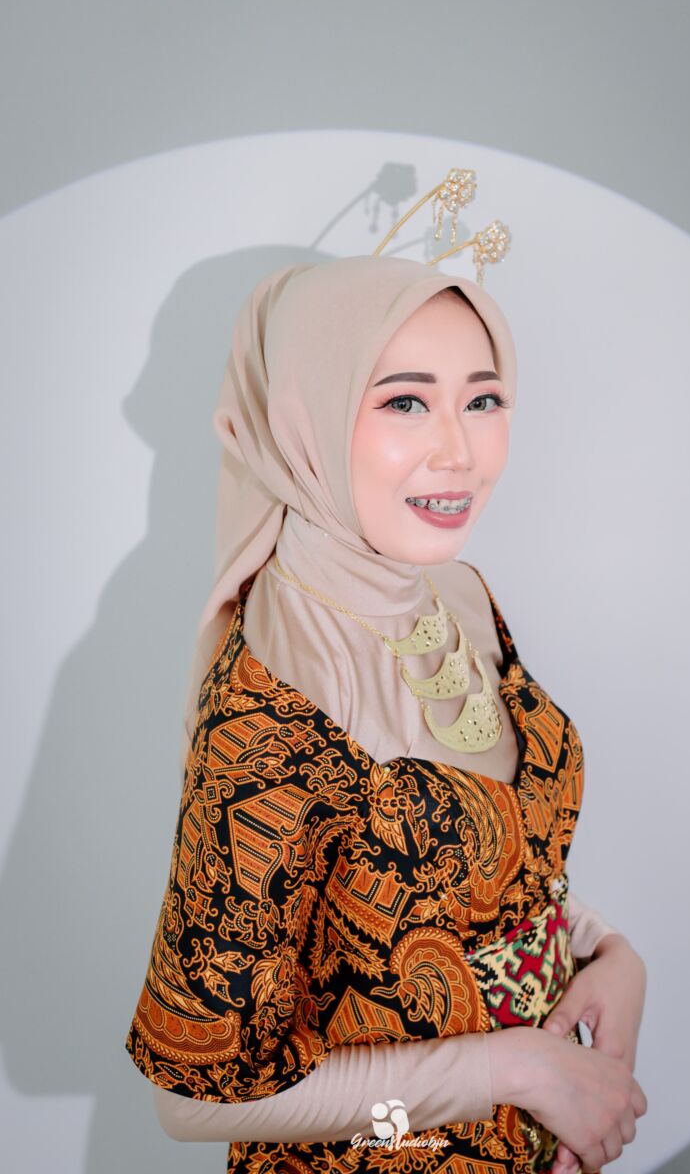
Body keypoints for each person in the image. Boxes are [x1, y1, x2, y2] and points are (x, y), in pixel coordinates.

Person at [125, 212, 648, 1174]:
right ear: (307, 416)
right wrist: (512, 1071)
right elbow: (191, 1100)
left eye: (483, 400)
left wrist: (608, 951)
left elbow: (483, 862)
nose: (460, 451)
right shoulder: (271, 705)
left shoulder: (460, 593)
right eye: (406, 402)